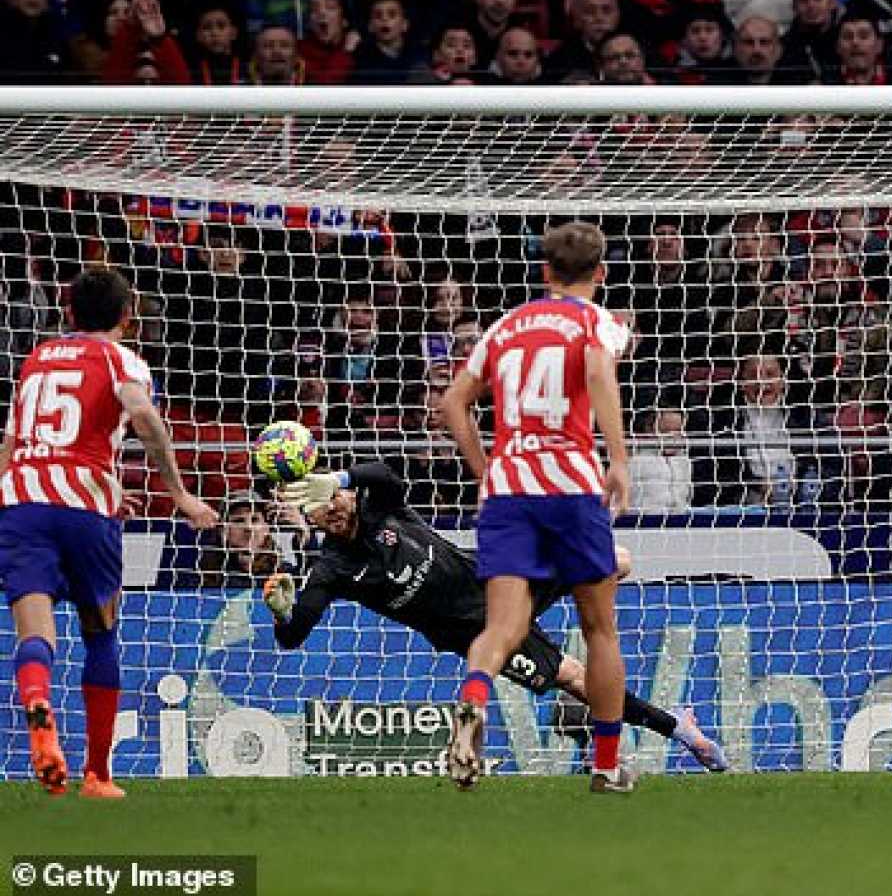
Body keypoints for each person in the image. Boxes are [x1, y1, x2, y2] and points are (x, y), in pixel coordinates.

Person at [264, 460, 725, 771]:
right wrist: (282, 611)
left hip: (503, 581)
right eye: (321, 513)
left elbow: (383, 474)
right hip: (483, 634)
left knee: (618, 560)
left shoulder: (381, 507)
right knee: (575, 678)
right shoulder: (332, 570)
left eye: (334, 501)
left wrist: (340, 477)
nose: (333, 513)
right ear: (315, 523)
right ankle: (682, 731)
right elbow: (293, 637)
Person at [0, 267, 219, 797]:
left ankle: (38, 705)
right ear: (129, 314)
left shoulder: (36, 359)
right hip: (86, 512)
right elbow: (143, 416)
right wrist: (180, 494)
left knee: (35, 629)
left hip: (21, 501)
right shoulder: (122, 359)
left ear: (69, 313)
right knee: (101, 633)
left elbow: (12, 443)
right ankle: (97, 773)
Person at [440, 222, 637, 793]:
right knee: (599, 628)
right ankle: (604, 767)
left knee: (502, 626)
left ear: (543, 271)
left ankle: (475, 696)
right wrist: (618, 458)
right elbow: (599, 371)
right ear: (600, 273)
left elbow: (452, 403)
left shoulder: (504, 327)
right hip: (572, 487)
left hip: (508, 490)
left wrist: (486, 470)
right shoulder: (595, 321)